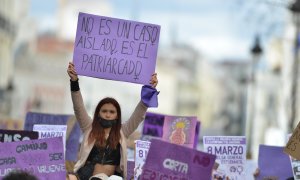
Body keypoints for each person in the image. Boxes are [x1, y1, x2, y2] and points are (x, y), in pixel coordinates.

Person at [67, 62, 159, 180]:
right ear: (98, 113)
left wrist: (150, 90)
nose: (108, 115)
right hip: (84, 176)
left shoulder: (123, 131)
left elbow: (139, 114)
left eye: (112, 112)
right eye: (104, 111)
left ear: (117, 115)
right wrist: (74, 82)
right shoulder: (88, 127)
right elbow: (78, 107)